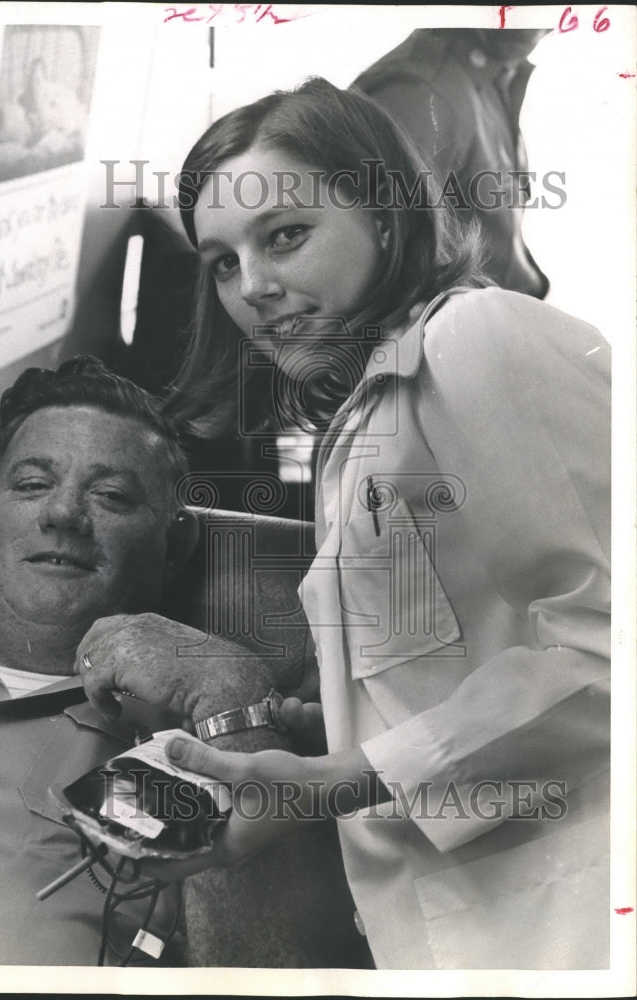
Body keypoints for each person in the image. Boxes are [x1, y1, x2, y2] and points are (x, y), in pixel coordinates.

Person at [76, 79, 611, 970]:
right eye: (221, 260)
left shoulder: (479, 338)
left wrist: (339, 779)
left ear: (386, 217)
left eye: (286, 235)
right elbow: (475, 656)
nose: (256, 288)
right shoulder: (364, 424)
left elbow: (610, 651)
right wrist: (328, 724)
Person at [0, 355, 362, 967]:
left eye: (111, 495)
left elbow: (275, 974)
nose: (62, 514)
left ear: (175, 547)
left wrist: (231, 690)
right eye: (34, 484)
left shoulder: (189, 751)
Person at [350, 28, 551, 299]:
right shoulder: (424, 92)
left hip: (505, 316)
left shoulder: (493, 71)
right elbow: (391, 280)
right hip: (472, 331)